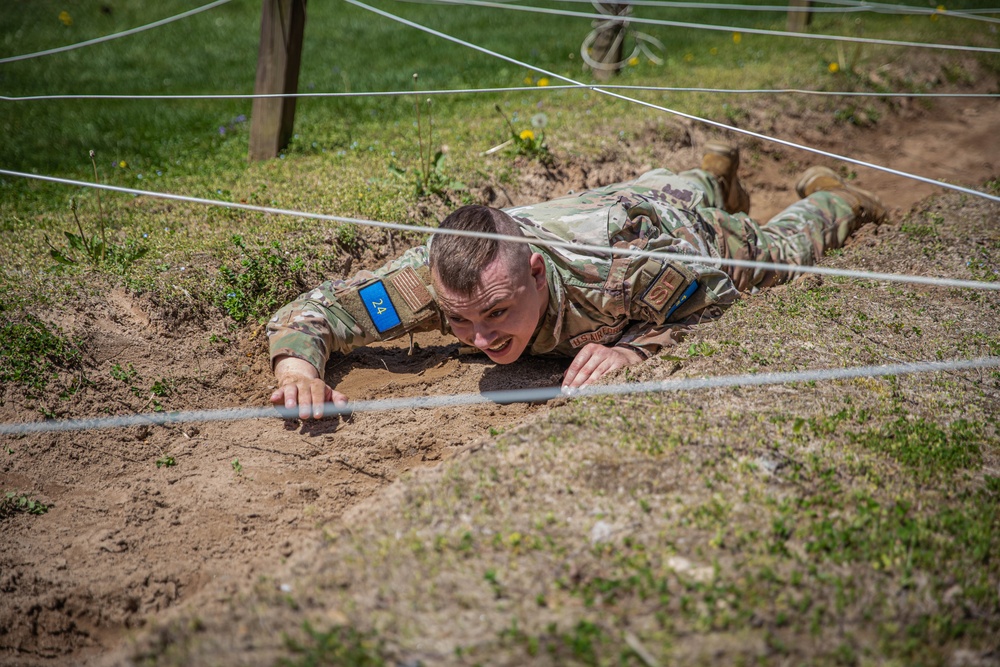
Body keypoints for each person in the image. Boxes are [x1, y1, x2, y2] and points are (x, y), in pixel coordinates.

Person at [267, 142, 886, 419]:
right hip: (619, 200)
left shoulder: (622, 274)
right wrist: (298, 370)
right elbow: (321, 311)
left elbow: (715, 301)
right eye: (461, 320)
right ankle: (708, 171)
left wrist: (634, 349)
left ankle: (835, 196)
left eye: (497, 313)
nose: (479, 338)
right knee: (670, 184)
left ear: (535, 272)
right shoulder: (442, 277)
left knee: (781, 255)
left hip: (679, 230)